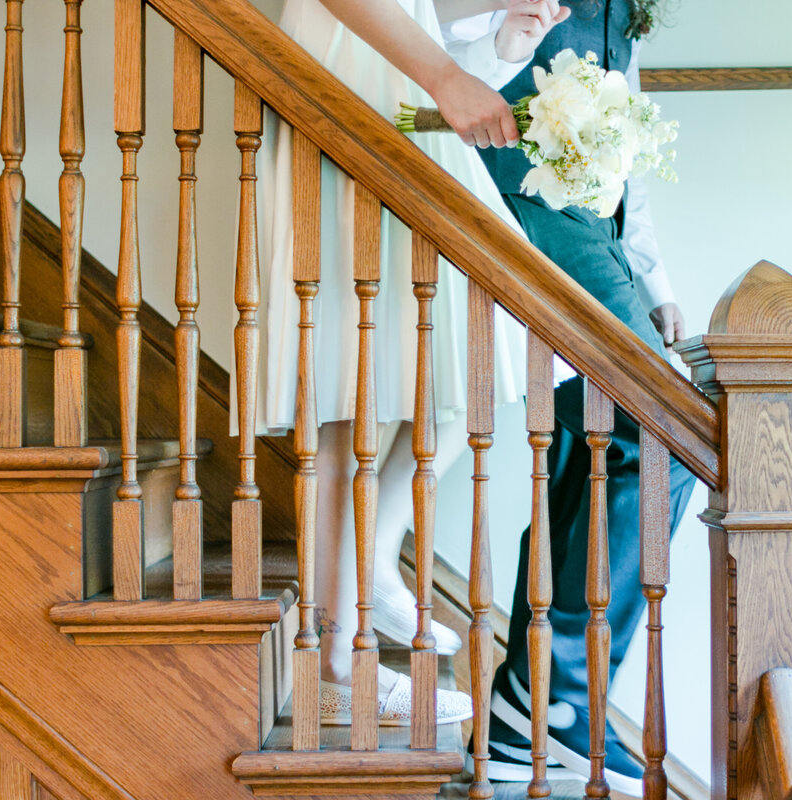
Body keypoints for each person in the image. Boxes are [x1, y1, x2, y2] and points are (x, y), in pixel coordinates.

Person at [240, 0, 568, 725]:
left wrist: (498, 28)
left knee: (458, 369)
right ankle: (331, 660)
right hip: (344, 87)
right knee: (351, 386)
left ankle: (371, 567)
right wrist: (448, 75)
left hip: (391, 91)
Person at [442, 2, 698, 793]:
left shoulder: (626, 12)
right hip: (521, 195)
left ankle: (537, 707)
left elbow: (624, 149)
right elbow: (441, 24)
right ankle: (550, 702)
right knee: (663, 435)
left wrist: (653, 280)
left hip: (596, 223)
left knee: (595, 450)